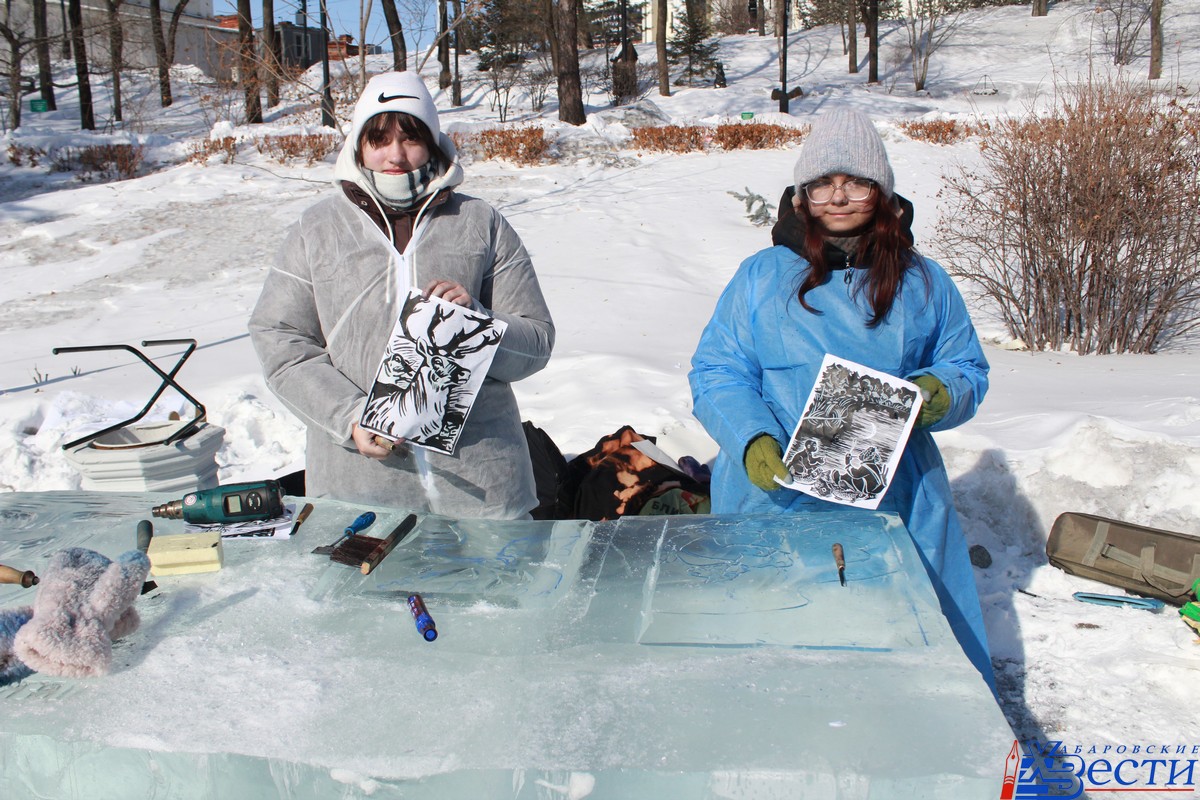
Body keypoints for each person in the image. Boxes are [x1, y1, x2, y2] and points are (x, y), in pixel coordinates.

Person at [688, 108, 994, 688]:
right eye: (823, 183)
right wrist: (751, 439)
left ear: (882, 192)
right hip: (776, 490)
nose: (838, 197)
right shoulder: (760, 275)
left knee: (903, 649)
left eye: (856, 182)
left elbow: (965, 366)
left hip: (894, 491)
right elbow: (718, 370)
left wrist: (942, 392)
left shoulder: (924, 280)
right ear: (801, 196)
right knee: (772, 639)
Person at [249, 72, 554, 520]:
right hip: (362, 495)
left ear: (432, 143)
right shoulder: (316, 229)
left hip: (484, 489)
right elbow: (280, 341)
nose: (395, 155)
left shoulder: (479, 222)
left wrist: (477, 324)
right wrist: (349, 415)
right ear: (359, 145)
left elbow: (536, 344)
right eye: (379, 139)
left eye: (410, 138)